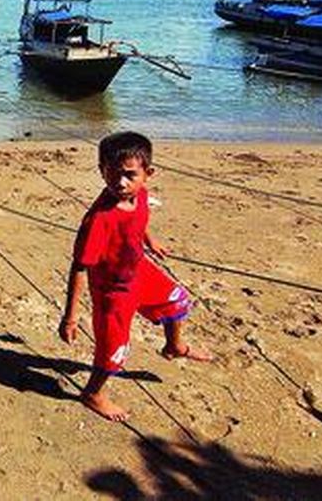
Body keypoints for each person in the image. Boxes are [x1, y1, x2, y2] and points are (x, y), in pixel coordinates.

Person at [58, 131, 211, 421]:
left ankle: (175, 345)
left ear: (147, 174)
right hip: (113, 290)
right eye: (112, 174)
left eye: (129, 175)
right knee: (114, 348)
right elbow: (79, 267)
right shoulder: (98, 220)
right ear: (101, 170)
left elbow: (140, 218)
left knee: (177, 300)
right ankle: (93, 393)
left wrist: (150, 241)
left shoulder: (139, 194)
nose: (120, 182)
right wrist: (71, 316)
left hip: (138, 268)